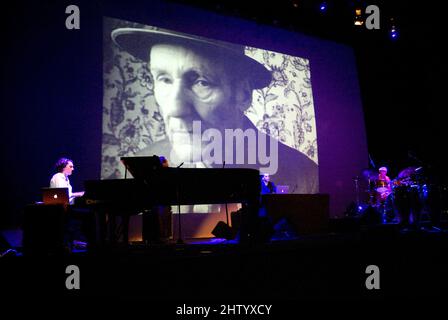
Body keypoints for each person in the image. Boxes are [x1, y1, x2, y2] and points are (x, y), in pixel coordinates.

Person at [111, 27, 318, 195]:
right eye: (164, 79)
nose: (174, 109)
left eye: (202, 82)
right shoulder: (135, 170)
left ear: (243, 94)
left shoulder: (303, 174)